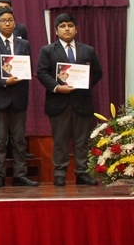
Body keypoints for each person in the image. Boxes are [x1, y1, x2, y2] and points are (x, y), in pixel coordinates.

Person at [36, 13, 103, 186]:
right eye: (63, 26)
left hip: (82, 101)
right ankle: (60, 173)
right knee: (60, 141)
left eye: (70, 25)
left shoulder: (87, 50)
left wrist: (83, 84)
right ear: (56, 30)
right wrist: (58, 87)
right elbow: (42, 73)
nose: (67, 28)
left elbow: (97, 72)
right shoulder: (48, 50)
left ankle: (82, 173)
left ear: (76, 29)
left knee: (82, 141)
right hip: (58, 102)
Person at [0, 8, 39, 188]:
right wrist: (4, 81)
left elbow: (28, 67)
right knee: (0, 139)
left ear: (15, 23)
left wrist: (22, 75)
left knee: (19, 139)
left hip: (19, 97)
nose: (7, 23)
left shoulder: (24, 44)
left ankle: (20, 174)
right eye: (4, 20)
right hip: (0, 96)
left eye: (11, 20)